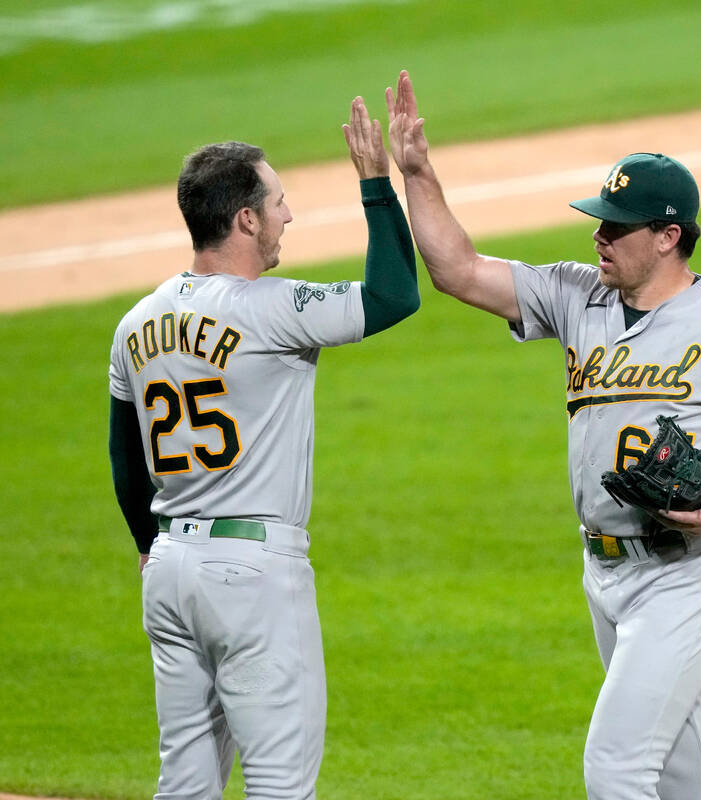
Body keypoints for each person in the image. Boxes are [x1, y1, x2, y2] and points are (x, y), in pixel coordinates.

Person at [384, 70, 701, 800]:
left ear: (667, 237)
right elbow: (457, 270)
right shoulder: (575, 294)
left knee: (616, 764)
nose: (598, 234)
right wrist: (419, 174)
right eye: (599, 219)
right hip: (605, 571)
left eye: (616, 226)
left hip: (690, 571)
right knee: (686, 780)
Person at [107, 96, 420, 798]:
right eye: (278, 202)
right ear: (245, 218)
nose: (288, 215)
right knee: (280, 782)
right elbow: (395, 295)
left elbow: (125, 455)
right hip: (251, 574)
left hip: (170, 568)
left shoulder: (134, 324)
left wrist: (146, 542)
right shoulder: (272, 309)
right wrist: (376, 181)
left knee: (184, 784)